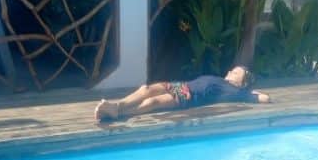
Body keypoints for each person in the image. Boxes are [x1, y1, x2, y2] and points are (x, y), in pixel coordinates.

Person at [94, 66, 270, 122]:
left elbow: (264, 98)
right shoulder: (220, 79)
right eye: (233, 69)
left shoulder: (235, 91)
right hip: (182, 85)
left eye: (236, 72)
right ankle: (117, 106)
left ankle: (118, 114)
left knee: (154, 102)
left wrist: (249, 90)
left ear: (241, 81)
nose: (231, 71)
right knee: (145, 89)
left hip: (189, 96)